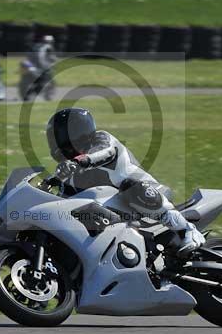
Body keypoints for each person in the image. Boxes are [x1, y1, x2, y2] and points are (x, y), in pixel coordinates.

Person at [46, 107, 206, 255]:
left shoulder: (101, 140)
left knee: (129, 186)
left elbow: (104, 153)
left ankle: (186, 230)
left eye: (60, 136)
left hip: (147, 194)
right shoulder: (70, 172)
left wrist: (79, 160)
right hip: (119, 211)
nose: (58, 142)